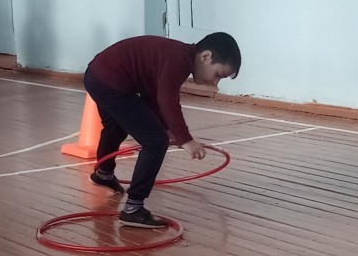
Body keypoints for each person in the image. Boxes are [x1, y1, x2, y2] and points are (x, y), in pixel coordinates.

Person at [84, 33, 241, 227]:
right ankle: (133, 208)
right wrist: (185, 139)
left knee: (116, 127)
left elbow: (153, 95)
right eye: (218, 75)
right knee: (156, 142)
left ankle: (104, 174)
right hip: (111, 82)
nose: (216, 83)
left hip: (96, 76)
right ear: (206, 56)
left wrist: (166, 128)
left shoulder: (177, 55)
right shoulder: (178, 59)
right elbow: (167, 99)